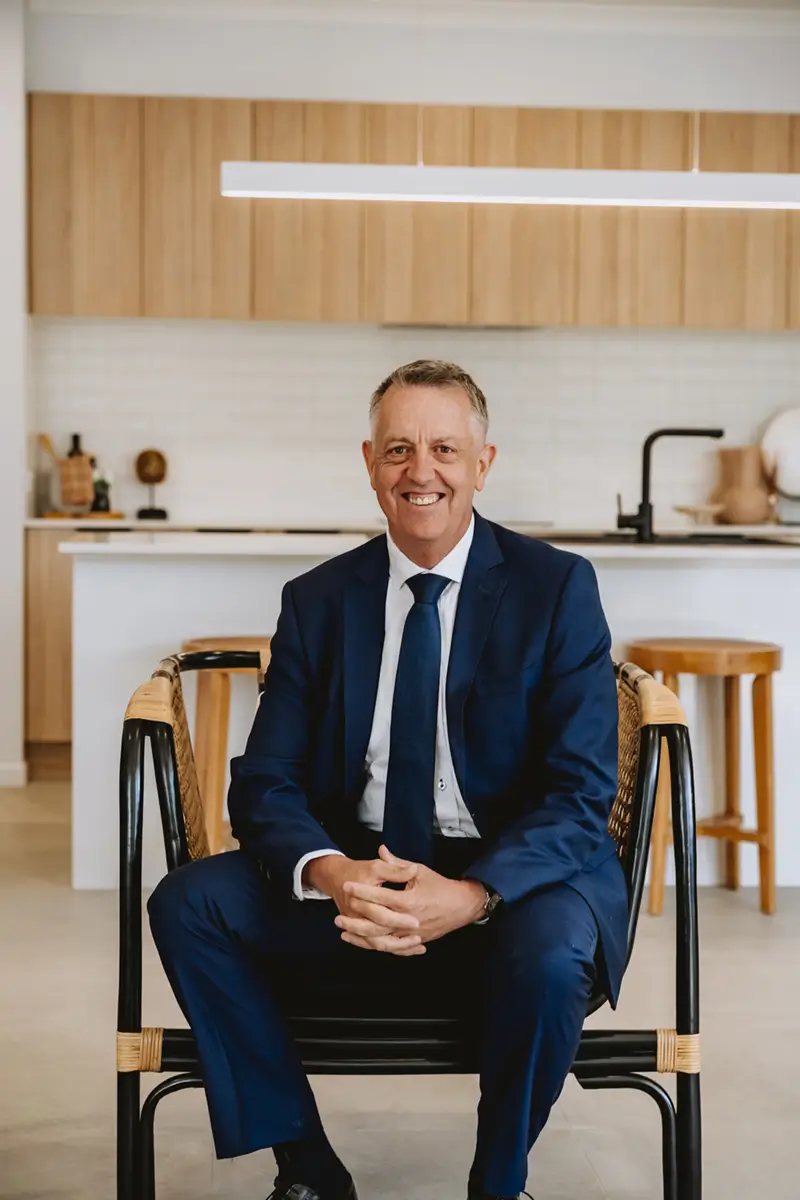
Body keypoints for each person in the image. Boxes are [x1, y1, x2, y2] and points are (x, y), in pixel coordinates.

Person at [148, 359, 629, 1200]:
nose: (422, 471)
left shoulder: (557, 588)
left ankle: (500, 1179)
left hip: (508, 889)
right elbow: (265, 780)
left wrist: (473, 893)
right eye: (399, 449)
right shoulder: (318, 600)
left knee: (556, 954)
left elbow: (581, 791)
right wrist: (333, 875)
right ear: (370, 463)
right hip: (358, 884)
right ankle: (307, 1168)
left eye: (445, 448)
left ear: (483, 464)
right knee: (190, 903)